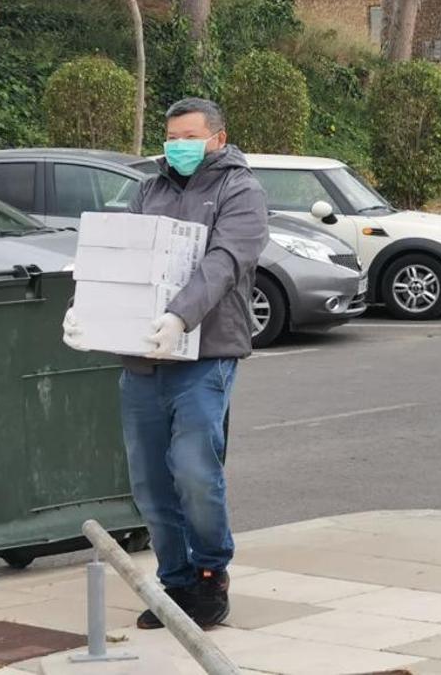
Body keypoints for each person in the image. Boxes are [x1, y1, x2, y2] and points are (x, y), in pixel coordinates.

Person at [63, 98, 268, 630]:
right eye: (171, 134)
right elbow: (120, 258)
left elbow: (225, 263)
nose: (176, 143)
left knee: (196, 472)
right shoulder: (149, 189)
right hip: (142, 360)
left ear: (218, 139)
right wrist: (83, 308)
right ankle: (174, 581)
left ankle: (209, 576)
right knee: (150, 481)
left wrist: (179, 316)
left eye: (189, 134)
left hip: (205, 355)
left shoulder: (239, 190)